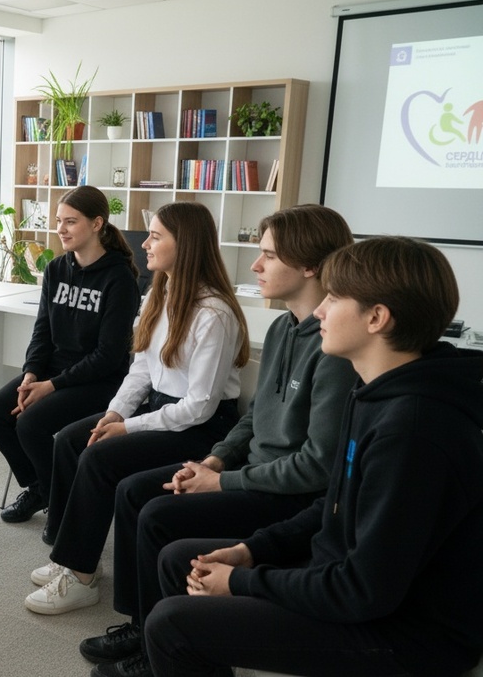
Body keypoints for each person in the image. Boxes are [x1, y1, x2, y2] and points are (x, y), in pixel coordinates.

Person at [146, 237, 483, 677]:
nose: (320, 311)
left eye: (334, 298)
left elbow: (362, 591)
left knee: (172, 626)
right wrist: (252, 550)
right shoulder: (374, 390)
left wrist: (244, 581)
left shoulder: (413, 432)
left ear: (376, 318)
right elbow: (334, 506)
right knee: (180, 560)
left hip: (406, 630)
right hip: (349, 581)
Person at [78, 205, 359, 677]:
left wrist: (223, 482)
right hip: (251, 473)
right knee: (137, 492)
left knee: (156, 514)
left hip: (289, 496)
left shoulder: (332, 348)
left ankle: (164, 642)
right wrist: (215, 461)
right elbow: (255, 417)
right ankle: (143, 626)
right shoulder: (285, 327)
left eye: (269, 256)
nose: (255, 265)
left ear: (310, 265)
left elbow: (316, 467)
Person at [25, 202, 248, 616]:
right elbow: (141, 368)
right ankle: (74, 557)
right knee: (73, 440)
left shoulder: (214, 313)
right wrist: (115, 414)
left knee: (98, 458)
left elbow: (199, 407)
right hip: (162, 410)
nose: (144, 244)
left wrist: (129, 428)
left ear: (186, 245)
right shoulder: (159, 293)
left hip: (202, 427)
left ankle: (80, 577)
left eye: (156, 236)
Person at [0, 185, 141, 524]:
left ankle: (62, 504)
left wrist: (50, 386)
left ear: (97, 224)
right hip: (53, 372)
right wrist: (30, 375)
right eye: (58, 221)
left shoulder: (119, 278)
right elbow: (42, 332)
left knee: (30, 424)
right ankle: (42, 489)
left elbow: (108, 356)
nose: (61, 229)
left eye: (71, 221)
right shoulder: (55, 269)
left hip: (100, 380)